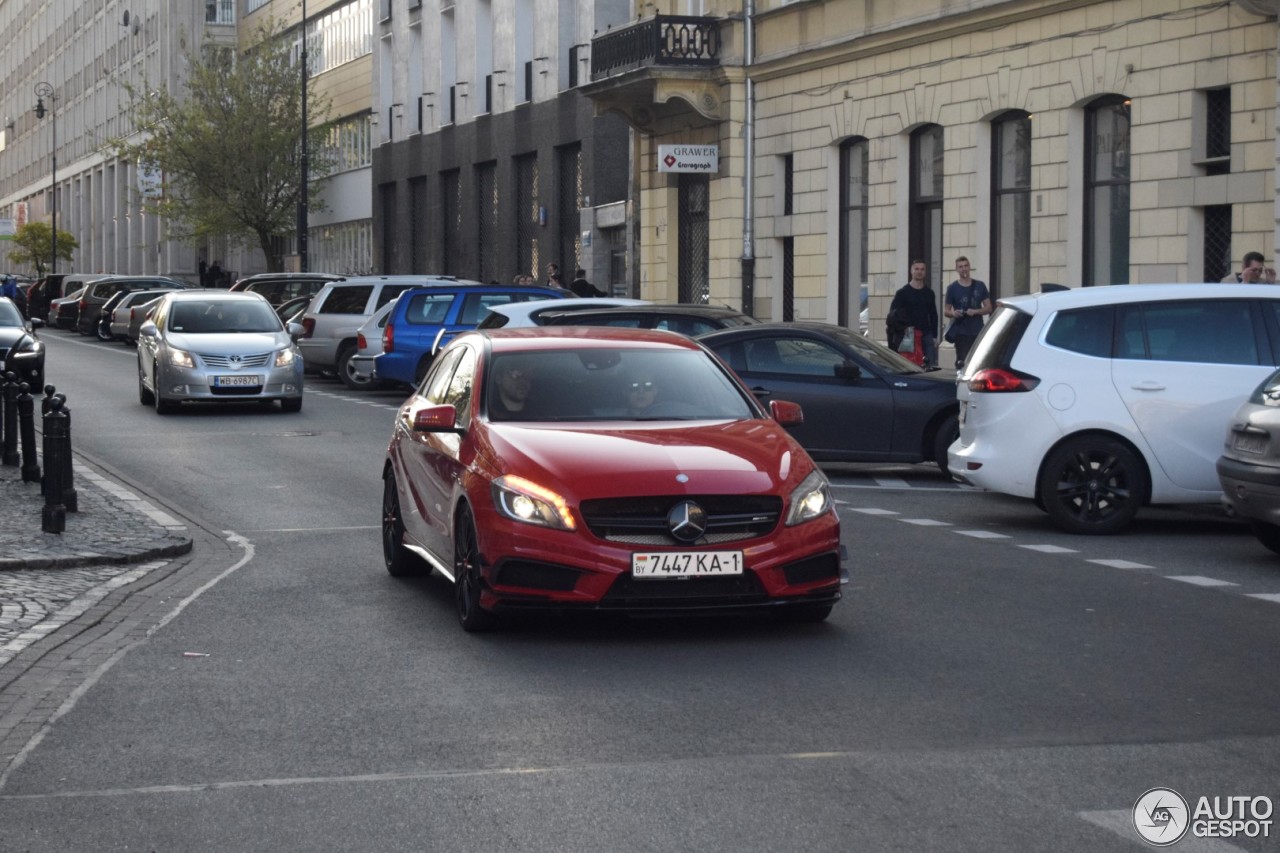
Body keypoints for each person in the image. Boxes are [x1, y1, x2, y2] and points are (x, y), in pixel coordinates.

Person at [888, 259, 939, 369]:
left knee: (931, 366)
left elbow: (933, 315)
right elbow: (893, 314)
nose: (919, 272)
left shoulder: (929, 293)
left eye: (922, 269)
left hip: (926, 334)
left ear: (925, 272)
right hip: (908, 335)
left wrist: (934, 335)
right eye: (916, 269)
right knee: (908, 366)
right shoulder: (902, 293)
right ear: (911, 271)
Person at [943, 256, 992, 369]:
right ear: (956, 269)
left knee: (979, 362)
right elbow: (946, 310)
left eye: (966, 266)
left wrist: (976, 311)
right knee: (962, 362)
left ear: (969, 267)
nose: (963, 269)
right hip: (961, 333)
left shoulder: (980, 286)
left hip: (977, 330)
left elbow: (989, 308)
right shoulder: (952, 288)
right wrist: (954, 313)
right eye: (960, 267)